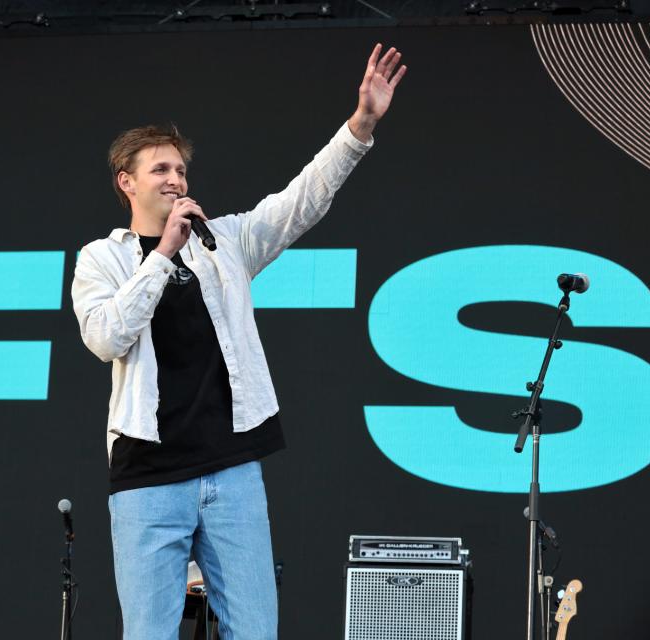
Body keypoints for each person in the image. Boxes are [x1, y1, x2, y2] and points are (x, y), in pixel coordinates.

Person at [71, 43, 406, 640]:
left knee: (254, 630)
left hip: (231, 471)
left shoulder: (225, 242)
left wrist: (361, 126)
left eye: (180, 170)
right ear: (127, 182)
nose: (176, 180)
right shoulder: (103, 259)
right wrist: (163, 255)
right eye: (161, 170)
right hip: (148, 477)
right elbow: (105, 338)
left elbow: (301, 201)